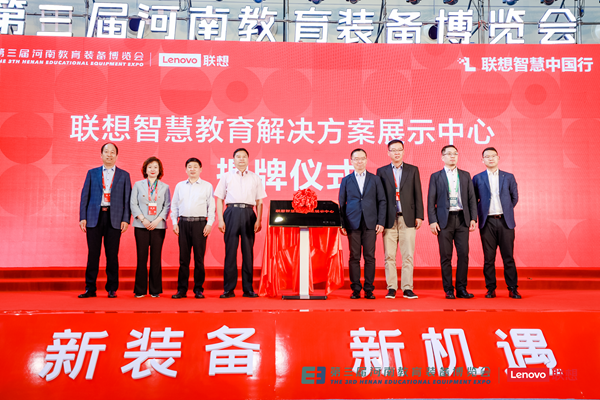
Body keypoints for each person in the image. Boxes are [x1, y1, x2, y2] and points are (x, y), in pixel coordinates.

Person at [78, 142, 131, 298]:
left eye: (112, 152)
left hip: (114, 218)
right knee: (93, 254)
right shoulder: (92, 173)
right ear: (101, 155)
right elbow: (84, 196)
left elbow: (127, 199)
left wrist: (126, 219)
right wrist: (83, 217)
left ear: (116, 156)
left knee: (112, 255)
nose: (109, 154)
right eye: (106, 152)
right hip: (94, 217)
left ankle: (112, 288)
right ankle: (90, 288)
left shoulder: (124, 175)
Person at [427, 145, 477, 299]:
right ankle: (449, 289)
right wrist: (432, 220)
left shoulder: (465, 175)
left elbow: (471, 198)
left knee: (463, 254)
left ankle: (461, 288)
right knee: (446, 256)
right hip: (444, 220)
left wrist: (473, 218)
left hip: (462, 219)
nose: (452, 156)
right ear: (442, 157)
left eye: (455, 153)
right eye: (449, 154)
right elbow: (431, 201)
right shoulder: (436, 176)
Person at [215, 148, 266, 298]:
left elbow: (259, 201)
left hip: (249, 213)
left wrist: (259, 219)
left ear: (248, 159)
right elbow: (219, 198)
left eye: (244, 156)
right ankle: (228, 289)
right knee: (230, 252)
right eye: (238, 156)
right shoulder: (226, 176)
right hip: (231, 212)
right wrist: (220, 219)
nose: (241, 159)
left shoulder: (255, 178)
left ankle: (248, 289)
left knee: (248, 252)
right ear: (233, 160)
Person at [377, 140, 424, 299]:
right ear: (388, 153)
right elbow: (379, 197)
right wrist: (380, 220)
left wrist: (419, 215)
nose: (396, 153)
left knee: (408, 255)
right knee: (389, 255)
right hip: (389, 219)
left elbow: (418, 193)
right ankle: (391, 287)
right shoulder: (381, 171)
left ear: (404, 152)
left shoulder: (412, 170)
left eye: (399, 150)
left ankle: (407, 287)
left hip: (407, 218)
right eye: (393, 150)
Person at [472, 147, 521, 299]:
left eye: (493, 156)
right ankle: (490, 288)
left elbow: (514, 197)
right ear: (482, 160)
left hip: (505, 222)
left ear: (498, 158)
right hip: (487, 223)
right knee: (489, 258)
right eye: (487, 156)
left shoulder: (509, 177)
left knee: (508, 257)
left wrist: (506, 210)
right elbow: (473, 200)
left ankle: (512, 288)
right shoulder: (477, 178)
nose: (491, 158)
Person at [339, 148, 386, 300]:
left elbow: (382, 201)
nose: (360, 161)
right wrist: (342, 224)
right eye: (356, 159)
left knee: (369, 257)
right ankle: (355, 289)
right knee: (354, 257)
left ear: (366, 160)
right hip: (352, 223)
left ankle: (369, 289)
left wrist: (381, 221)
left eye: (362, 158)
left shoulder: (375, 179)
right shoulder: (346, 180)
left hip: (371, 223)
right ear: (351, 161)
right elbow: (342, 204)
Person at [170, 158, 215, 299]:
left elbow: (211, 206)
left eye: (195, 166)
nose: (192, 169)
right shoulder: (180, 186)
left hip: (200, 224)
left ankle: (198, 289)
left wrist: (209, 224)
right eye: (189, 166)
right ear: (186, 169)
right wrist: (174, 222)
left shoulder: (207, 186)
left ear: (201, 169)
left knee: (199, 259)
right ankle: (182, 290)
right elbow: (174, 205)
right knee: (183, 259)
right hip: (183, 223)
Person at [130, 157, 171, 298]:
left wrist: (157, 220)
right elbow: (133, 204)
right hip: (141, 225)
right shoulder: (138, 185)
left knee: (156, 258)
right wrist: (143, 219)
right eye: (150, 167)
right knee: (141, 258)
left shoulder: (165, 187)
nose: (153, 170)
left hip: (158, 226)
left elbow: (167, 206)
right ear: (145, 170)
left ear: (159, 170)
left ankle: (155, 290)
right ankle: (140, 290)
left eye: (155, 167)